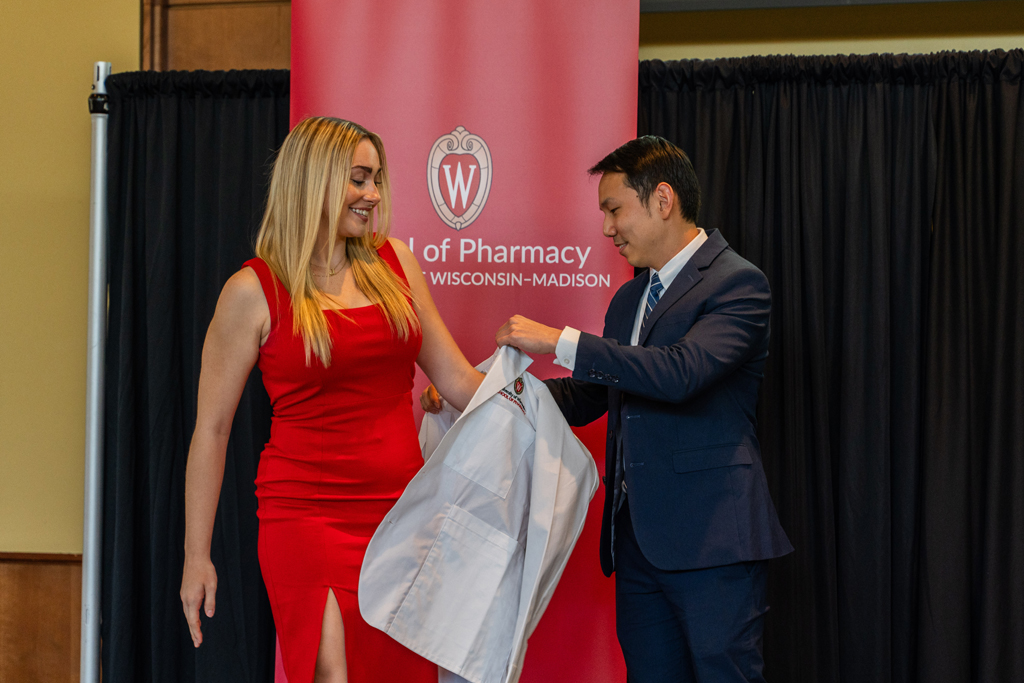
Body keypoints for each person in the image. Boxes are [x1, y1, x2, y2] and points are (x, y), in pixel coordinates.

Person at [180, 116, 484, 683]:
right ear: (313, 180)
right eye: (358, 178)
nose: (373, 194)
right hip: (306, 519)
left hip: (402, 516)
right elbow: (212, 430)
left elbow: (462, 381)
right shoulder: (253, 290)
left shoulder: (396, 264)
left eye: (376, 179)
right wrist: (197, 554)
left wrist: (542, 400)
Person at [487, 136, 793, 682]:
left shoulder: (738, 284)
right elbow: (588, 397)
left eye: (613, 209)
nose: (607, 229)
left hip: (713, 546)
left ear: (662, 200)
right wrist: (485, 395)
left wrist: (560, 340)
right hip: (636, 548)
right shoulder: (629, 298)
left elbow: (682, 373)